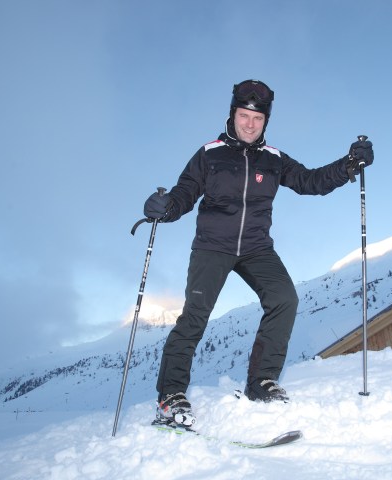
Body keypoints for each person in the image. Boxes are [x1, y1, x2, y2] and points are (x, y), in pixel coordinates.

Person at [144, 79, 373, 428]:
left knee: (284, 298)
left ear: (265, 121)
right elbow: (185, 193)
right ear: (232, 115)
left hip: (255, 247)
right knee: (195, 317)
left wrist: (349, 165)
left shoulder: (274, 159)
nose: (250, 123)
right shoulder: (209, 154)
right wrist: (166, 206)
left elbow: (310, 181)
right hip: (212, 246)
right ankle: (170, 395)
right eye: (243, 115)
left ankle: (261, 383)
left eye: (257, 118)